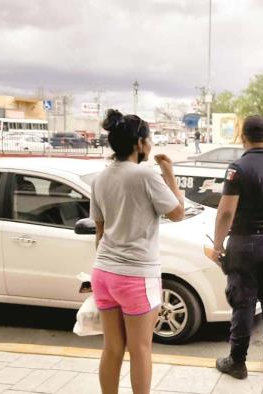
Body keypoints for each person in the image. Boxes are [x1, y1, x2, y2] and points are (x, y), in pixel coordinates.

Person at [89, 109, 185, 394]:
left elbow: (100, 230)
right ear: (140, 143)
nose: (151, 144)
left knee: (112, 348)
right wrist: (170, 174)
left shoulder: (100, 178)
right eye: (150, 138)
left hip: (103, 273)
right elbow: (177, 213)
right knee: (141, 349)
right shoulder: (145, 175)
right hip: (136, 276)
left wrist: (105, 266)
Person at [209, 115, 263, 379]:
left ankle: (237, 361)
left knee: (243, 302)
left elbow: (226, 212)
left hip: (245, 243)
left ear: (243, 137)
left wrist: (217, 244)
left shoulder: (238, 167)